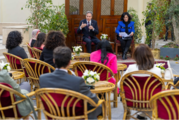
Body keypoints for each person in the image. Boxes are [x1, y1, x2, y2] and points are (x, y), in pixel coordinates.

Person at [39, 46, 102, 120]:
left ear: (53, 60)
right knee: (99, 106)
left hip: (53, 115)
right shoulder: (78, 81)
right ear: (69, 62)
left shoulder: (43, 78)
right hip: (75, 117)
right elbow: (94, 101)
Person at [118, 44, 161, 120]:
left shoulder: (131, 68)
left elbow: (119, 84)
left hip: (132, 100)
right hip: (151, 102)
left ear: (136, 56)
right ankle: (143, 115)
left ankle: (142, 115)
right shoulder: (157, 71)